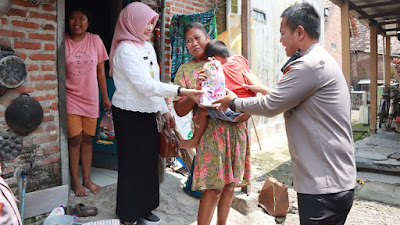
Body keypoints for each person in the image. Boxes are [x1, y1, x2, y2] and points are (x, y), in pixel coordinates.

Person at [214, 3, 356, 225]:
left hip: (324, 186)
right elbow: (287, 100)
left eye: (283, 34)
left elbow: (272, 105)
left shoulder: (309, 65)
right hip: (331, 181)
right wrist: (260, 90)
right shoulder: (319, 60)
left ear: (300, 32)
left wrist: (233, 101)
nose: (280, 41)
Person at [109, 3, 203, 225]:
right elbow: (145, 86)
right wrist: (181, 91)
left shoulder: (148, 47)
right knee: (132, 164)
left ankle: (145, 208)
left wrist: (165, 110)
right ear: (132, 22)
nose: (150, 27)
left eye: (153, 22)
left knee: (149, 162)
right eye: (146, 22)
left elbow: (154, 82)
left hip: (147, 113)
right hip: (128, 114)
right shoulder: (125, 50)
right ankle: (128, 214)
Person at [173, 22, 252, 225]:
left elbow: (247, 90)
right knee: (214, 187)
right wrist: (195, 92)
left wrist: (247, 113)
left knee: (229, 185)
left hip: (236, 129)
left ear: (208, 38)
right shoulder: (186, 70)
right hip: (209, 132)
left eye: (197, 38)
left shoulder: (228, 61)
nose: (193, 43)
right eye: (188, 41)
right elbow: (180, 111)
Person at [65, 8, 111, 197]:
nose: (77, 22)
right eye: (73, 18)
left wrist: (106, 97)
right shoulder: (63, 41)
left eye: (81, 18)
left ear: (88, 22)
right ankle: (75, 181)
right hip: (70, 97)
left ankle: (86, 178)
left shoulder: (95, 40)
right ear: (68, 21)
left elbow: (101, 72)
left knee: (87, 139)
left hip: (91, 98)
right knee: (75, 139)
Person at [179, 39, 256, 149]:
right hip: (247, 107)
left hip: (233, 112)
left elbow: (214, 92)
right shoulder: (240, 60)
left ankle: (194, 140)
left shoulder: (220, 71)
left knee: (204, 111)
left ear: (214, 59)